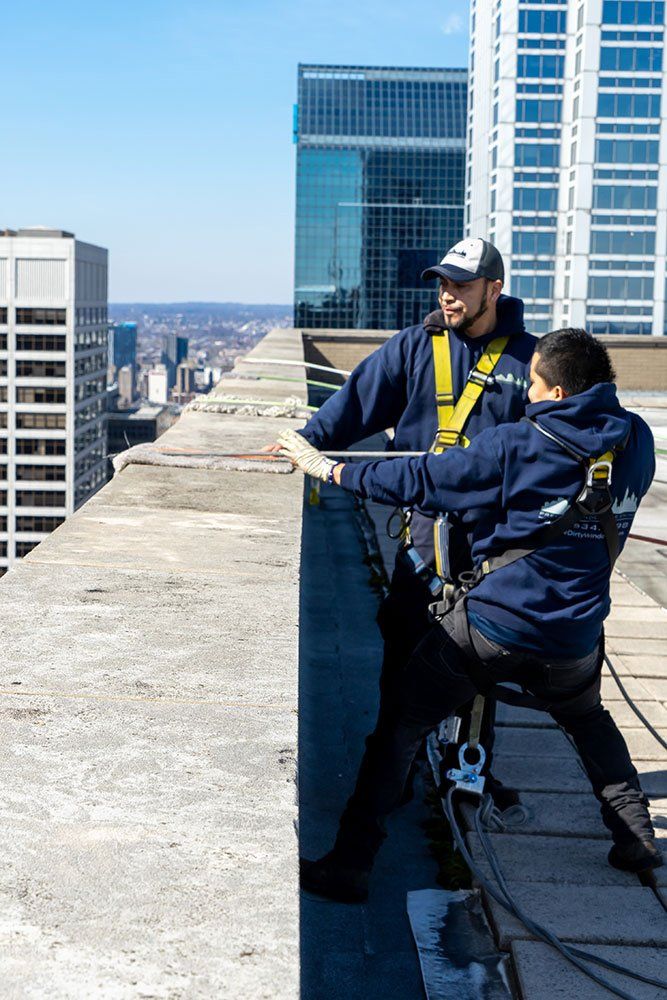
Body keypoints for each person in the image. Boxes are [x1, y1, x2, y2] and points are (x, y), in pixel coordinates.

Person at [278, 328, 662, 903]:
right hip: (574, 635)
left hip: (491, 629)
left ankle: (350, 865)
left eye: (533, 385)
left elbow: (423, 480)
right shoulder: (638, 439)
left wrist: (332, 470)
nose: (527, 394)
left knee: (401, 726)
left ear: (558, 393)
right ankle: (635, 837)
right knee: (589, 722)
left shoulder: (518, 442)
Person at [266, 238, 537, 806]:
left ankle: (469, 773)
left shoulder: (527, 362)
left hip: (492, 548)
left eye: (461, 285)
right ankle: (395, 783)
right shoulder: (415, 347)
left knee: (479, 672)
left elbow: (553, 440)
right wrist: (306, 443)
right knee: (404, 665)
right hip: (425, 543)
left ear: (494, 289)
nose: (448, 295)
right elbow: (355, 405)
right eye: (444, 284)